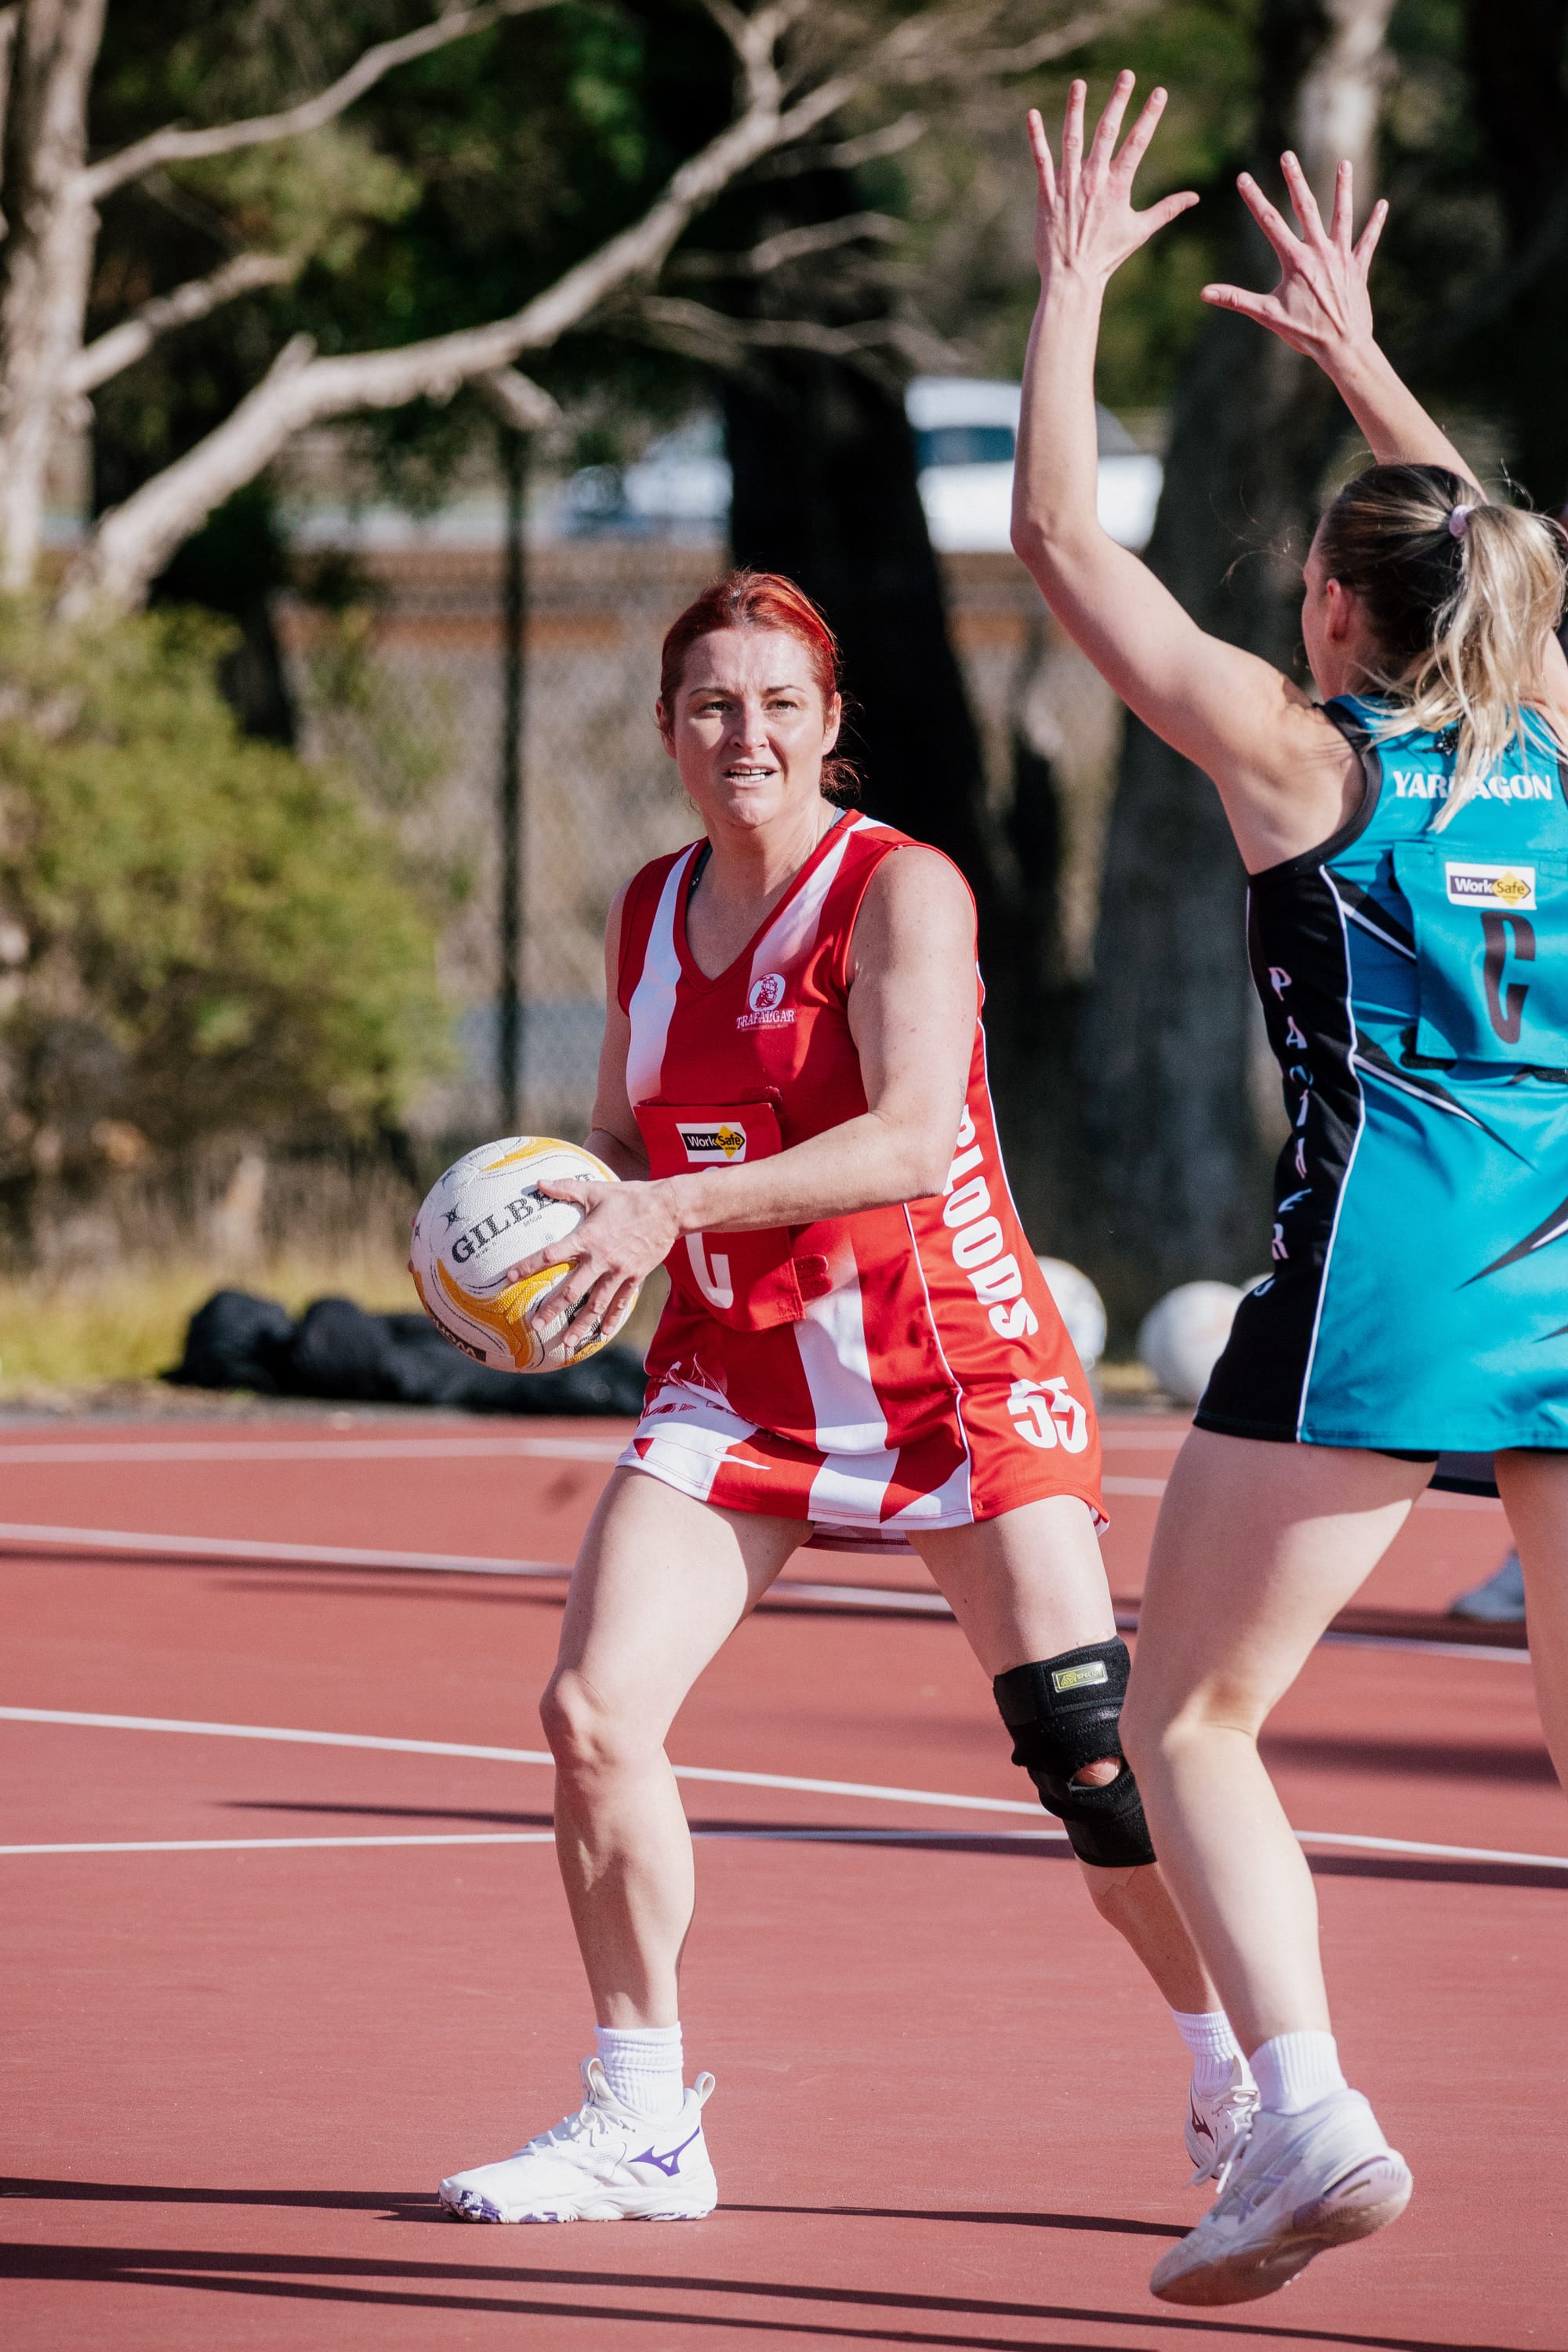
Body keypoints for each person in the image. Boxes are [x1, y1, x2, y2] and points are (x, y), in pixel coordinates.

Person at [437, 567, 1249, 2224]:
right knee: (592, 1717)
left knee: (1094, 1764)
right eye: (712, 706)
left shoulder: (903, 893)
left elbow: (902, 1139)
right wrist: (536, 1224)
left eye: (777, 705)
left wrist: (669, 1208)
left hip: (947, 1365)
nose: (745, 732)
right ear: (667, 729)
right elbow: (620, 1133)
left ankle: (1244, 2070)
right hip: (736, 1375)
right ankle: (643, 2119)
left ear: (827, 727)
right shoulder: (650, 908)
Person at [1010, 74, 1568, 2307]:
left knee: (1188, 1717)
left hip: (1401, 1265)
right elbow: (1496, 566)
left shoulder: (1307, 762)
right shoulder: (1552, 737)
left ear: (1334, 602)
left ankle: (1308, 2119)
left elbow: (1065, 550)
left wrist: (1072, 294)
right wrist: (1355, 357)